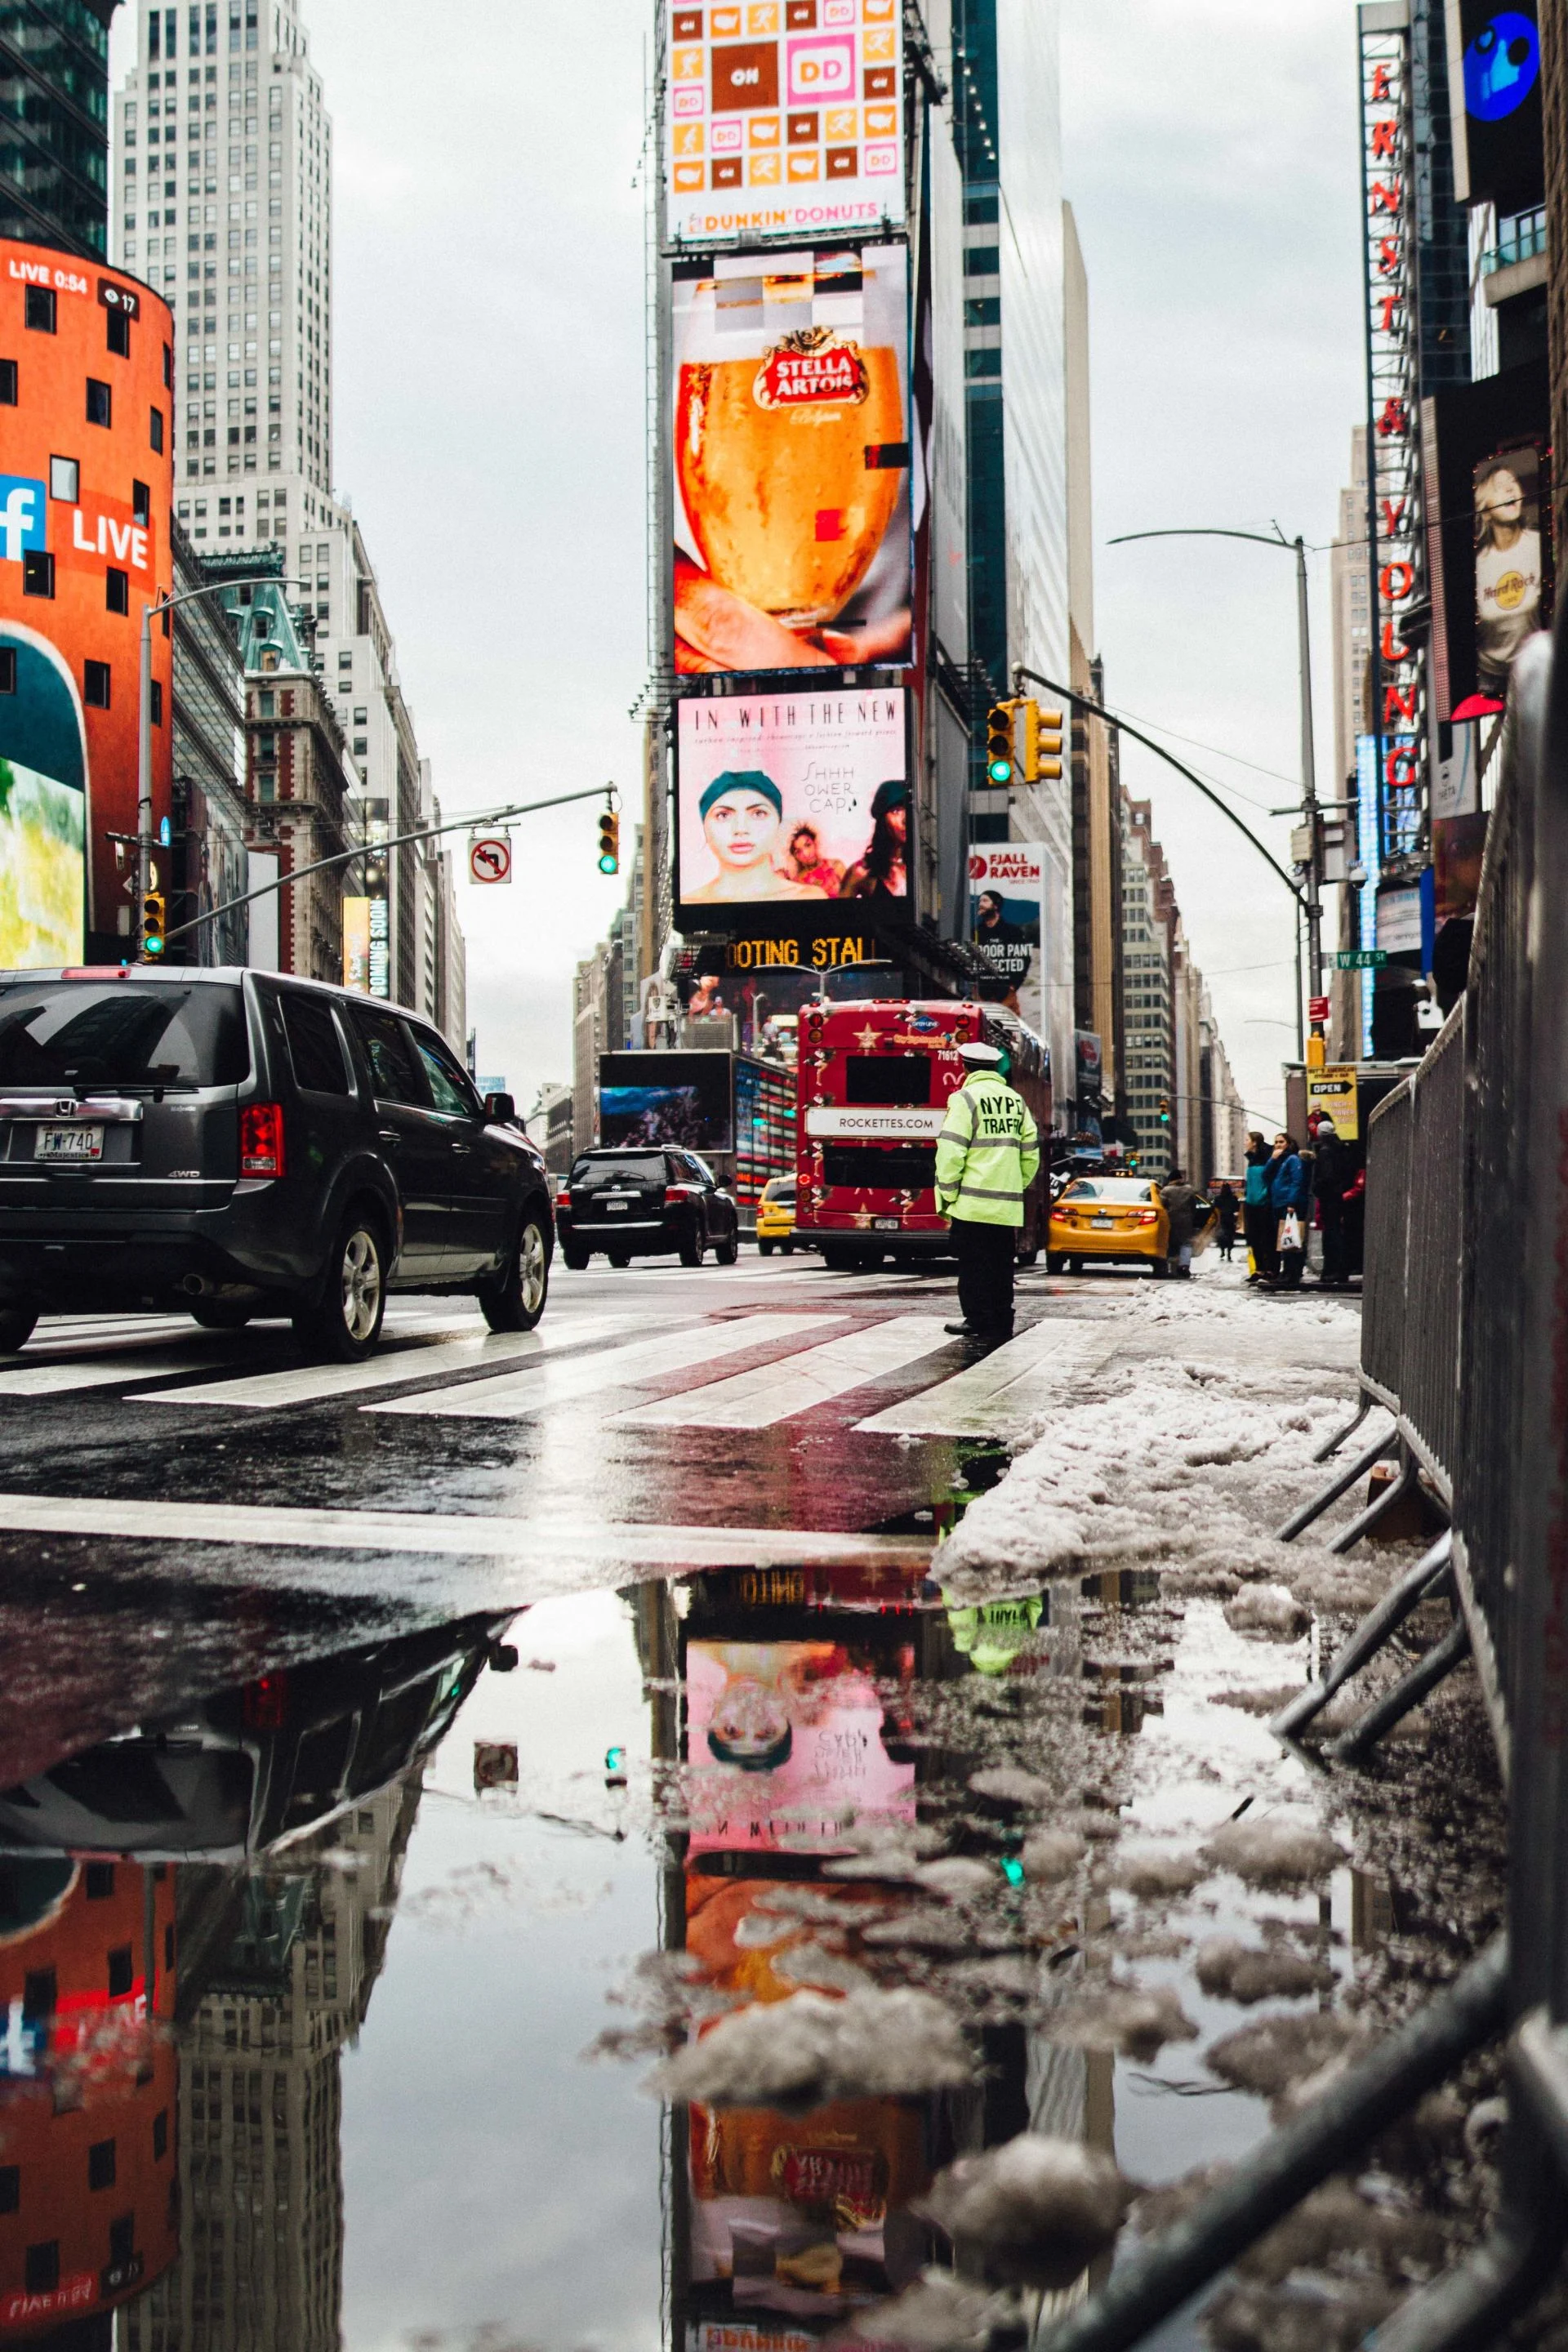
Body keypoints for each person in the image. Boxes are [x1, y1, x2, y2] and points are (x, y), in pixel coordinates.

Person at [934, 1038, 1040, 1345]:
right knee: (1001, 1265)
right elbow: (1031, 1153)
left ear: (966, 1067)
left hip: (971, 1204)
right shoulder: (1016, 1101)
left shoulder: (965, 1099)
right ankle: (1002, 1320)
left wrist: (948, 1191)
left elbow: (952, 1151)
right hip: (1005, 1207)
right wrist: (1013, 1184)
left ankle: (977, 1319)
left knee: (973, 1266)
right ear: (995, 1067)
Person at [686, 772, 830, 905]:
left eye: (758, 814)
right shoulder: (688, 904)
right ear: (704, 826)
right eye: (723, 815)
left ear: (778, 823)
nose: (741, 829)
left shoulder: (808, 898)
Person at [1474, 462, 1544, 697]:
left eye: (1513, 483)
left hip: (1540, 671)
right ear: (1485, 509)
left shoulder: (1538, 544)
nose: (1510, 490)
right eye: (1500, 487)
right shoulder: (1478, 567)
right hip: (1492, 684)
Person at [839, 780, 908, 899]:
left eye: (908, 809)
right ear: (883, 821)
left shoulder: (926, 865)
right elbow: (840, 915)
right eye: (896, 811)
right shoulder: (862, 870)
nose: (905, 819)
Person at [1310, 1116, 1352, 1289]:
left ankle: (1332, 1270)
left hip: (1329, 1198)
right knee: (1336, 1233)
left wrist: (1317, 1187)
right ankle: (1339, 1270)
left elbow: (1326, 1176)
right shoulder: (1339, 1149)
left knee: (1331, 1234)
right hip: (1337, 1197)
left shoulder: (1325, 1151)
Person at [1267, 1131, 1311, 1290]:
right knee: (1284, 1240)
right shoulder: (1280, 1161)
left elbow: (1297, 1181)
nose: (1278, 1145)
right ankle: (1288, 1272)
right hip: (1279, 1203)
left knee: (1290, 1240)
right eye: (1276, 1142)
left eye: (1281, 1142)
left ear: (1288, 1143)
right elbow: (1265, 1175)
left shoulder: (1292, 1159)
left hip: (1288, 1204)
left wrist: (1291, 1202)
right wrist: (1272, 1159)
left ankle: (1291, 1273)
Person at [1243, 1131, 1276, 1283]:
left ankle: (1270, 1269)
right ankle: (1259, 1269)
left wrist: (1266, 1197)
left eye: (1247, 1140)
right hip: (1251, 1204)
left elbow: (1268, 1180)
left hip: (1264, 1203)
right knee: (1254, 1238)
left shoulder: (1268, 1158)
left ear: (1255, 1142)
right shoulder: (1251, 1159)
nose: (1245, 1142)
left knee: (1266, 1238)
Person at [1160, 1166, 1200, 1278]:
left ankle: (1171, 1266)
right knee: (1186, 1244)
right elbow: (1194, 1206)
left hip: (1170, 1221)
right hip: (1186, 1221)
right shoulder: (1189, 1190)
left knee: (1172, 1244)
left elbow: (1161, 1205)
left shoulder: (1166, 1191)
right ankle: (1184, 1266)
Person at [785, 822, 843, 894]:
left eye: (808, 845)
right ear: (796, 857)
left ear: (815, 843)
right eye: (798, 852)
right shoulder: (798, 883)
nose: (806, 854)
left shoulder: (836, 865)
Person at [1213, 1180, 1239, 1262]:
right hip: (1231, 1219)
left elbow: (1214, 1208)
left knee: (1221, 1236)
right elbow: (1237, 1208)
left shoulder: (1218, 1198)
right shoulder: (1234, 1198)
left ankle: (1222, 1251)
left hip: (1221, 1219)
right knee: (1230, 1237)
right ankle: (1229, 1253)